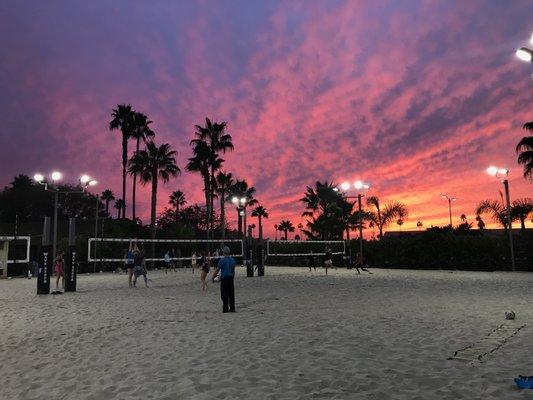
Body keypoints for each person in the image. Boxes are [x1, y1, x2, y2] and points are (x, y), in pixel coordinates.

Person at [212, 246, 236, 313]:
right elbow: (233, 271)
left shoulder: (221, 261)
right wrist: (232, 278)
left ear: (224, 253)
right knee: (231, 294)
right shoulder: (233, 260)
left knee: (224, 294)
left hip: (224, 279)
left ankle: (225, 309)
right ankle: (232, 308)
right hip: (230, 278)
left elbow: (217, 270)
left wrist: (213, 277)